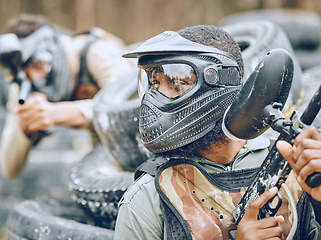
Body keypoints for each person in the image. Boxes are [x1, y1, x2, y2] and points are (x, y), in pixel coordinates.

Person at [114, 25, 321, 239]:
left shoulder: (291, 167)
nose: (154, 99)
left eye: (176, 83)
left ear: (223, 85)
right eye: (154, 84)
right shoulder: (148, 197)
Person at [0, 14, 134, 179]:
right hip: (103, 147)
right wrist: (24, 127)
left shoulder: (99, 52)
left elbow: (127, 112)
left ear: (53, 50)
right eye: (26, 73)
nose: (35, 79)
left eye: (37, 65)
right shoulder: (24, 86)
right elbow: (9, 168)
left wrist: (58, 113)